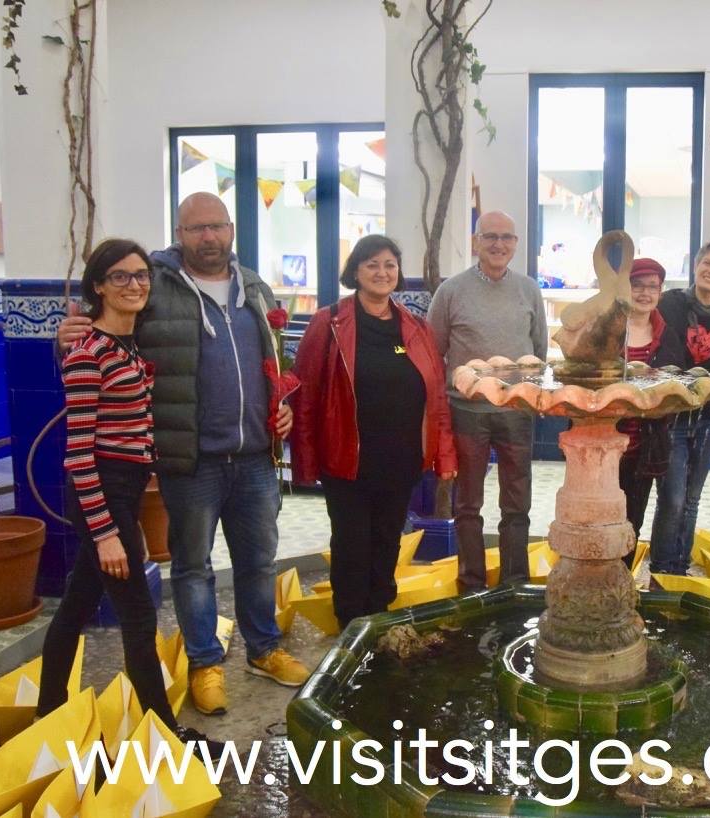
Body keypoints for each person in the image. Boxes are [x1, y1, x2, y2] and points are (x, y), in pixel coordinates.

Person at [56, 192, 308, 717]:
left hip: (255, 456)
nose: (209, 237)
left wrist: (280, 407)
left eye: (217, 226)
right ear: (179, 233)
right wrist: (63, 338)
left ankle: (264, 649)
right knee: (193, 568)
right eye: (196, 228)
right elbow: (101, 335)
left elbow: (271, 363)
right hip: (190, 459)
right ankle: (204, 663)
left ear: (231, 229)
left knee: (258, 561)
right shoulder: (155, 286)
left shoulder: (254, 287)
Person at [38, 238, 212, 749]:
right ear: (98, 286)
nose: (134, 285)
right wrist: (106, 532)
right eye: (120, 276)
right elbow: (79, 454)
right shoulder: (88, 353)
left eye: (141, 275)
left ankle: (48, 715)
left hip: (123, 490)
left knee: (76, 606)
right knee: (138, 615)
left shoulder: (126, 344)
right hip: (101, 493)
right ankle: (167, 738)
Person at [292, 235, 457, 628]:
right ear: (356, 271)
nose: (382, 273)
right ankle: (351, 628)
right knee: (351, 548)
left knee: (387, 545)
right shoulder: (329, 323)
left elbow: (436, 396)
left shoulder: (415, 328)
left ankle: (379, 623)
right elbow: (306, 395)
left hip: (400, 462)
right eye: (372, 264)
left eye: (389, 265)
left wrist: (444, 455)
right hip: (347, 463)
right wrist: (305, 461)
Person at [427, 211, 548, 591]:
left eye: (506, 237)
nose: (499, 244)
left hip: (516, 412)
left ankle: (515, 583)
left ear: (516, 244)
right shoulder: (451, 291)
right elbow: (433, 352)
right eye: (490, 236)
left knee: (517, 503)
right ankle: (472, 585)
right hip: (467, 413)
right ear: (476, 241)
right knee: (468, 504)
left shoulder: (529, 290)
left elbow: (539, 350)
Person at [648, 239, 710, 575]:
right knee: (672, 498)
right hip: (672, 418)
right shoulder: (671, 303)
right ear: (697, 265)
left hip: (709, 418)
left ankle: (681, 566)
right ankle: (662, 568)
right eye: (707, 263)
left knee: (691, 499)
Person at [615, 258, 687, 561]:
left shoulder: (666, 334)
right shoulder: (609, 329)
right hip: (607, 444)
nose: (645, 293)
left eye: (652, 287)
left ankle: (622, 578)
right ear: (625, 288)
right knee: (599, 517)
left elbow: (676, 382)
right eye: (637, 285)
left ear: (660, 291)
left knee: (633, 519)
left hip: (644, 446)